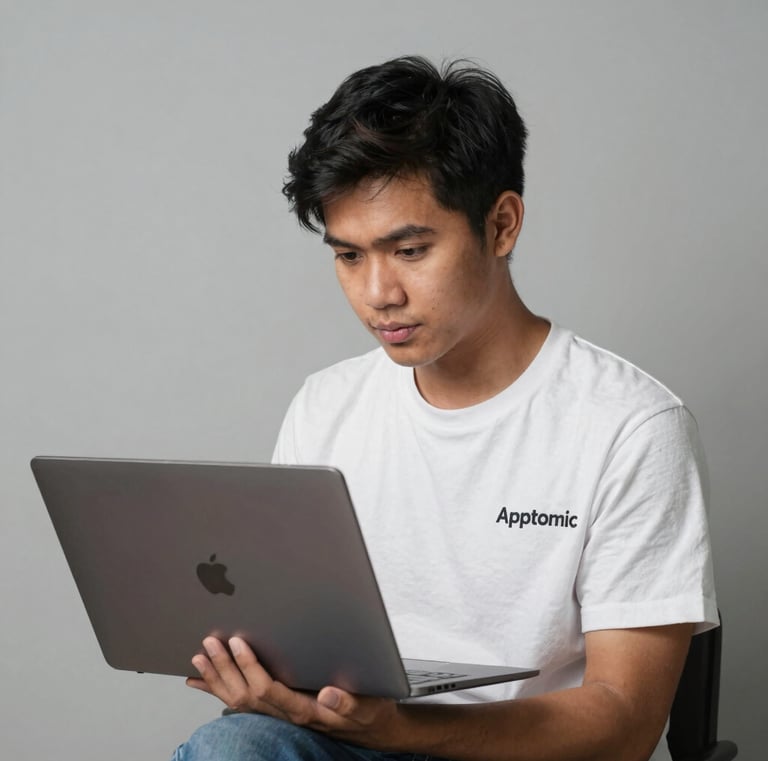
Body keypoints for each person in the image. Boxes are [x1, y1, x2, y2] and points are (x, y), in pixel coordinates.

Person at [171, 56, 718, 761]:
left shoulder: (631, 426)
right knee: (233, 747)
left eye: (409, 249)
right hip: (355, 744)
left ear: (502, 224)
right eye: (347, 256)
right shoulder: (326, 405)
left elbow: (625, 721)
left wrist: (401, 728)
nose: (377, 292)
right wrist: (275, 686)